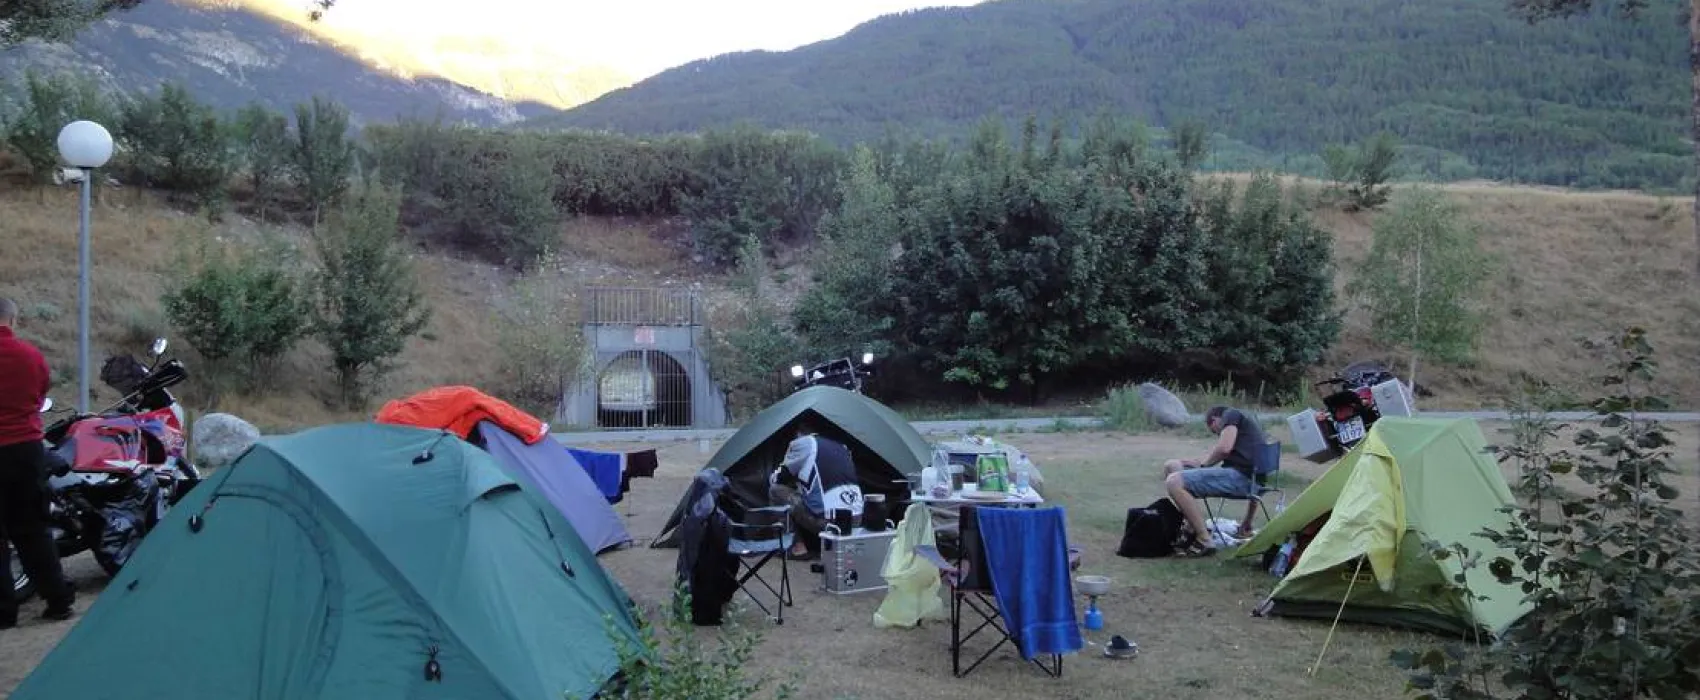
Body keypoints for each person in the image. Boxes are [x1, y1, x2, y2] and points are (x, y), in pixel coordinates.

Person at [0, 297, 76, 626]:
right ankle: (58, 600)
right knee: (33, 529)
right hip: (25, 451)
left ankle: (4, 612)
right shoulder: (31, 356)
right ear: (12, 320)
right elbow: (40, 394)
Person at [1161, 405, 1268, 557]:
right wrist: (1247, 523)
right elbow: (1256, 488)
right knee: (1172, 466)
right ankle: (1190, 527)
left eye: (1214, 431)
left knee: (1174, 482)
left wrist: (1204, 465)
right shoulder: (1249, 422)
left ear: (1214, 420)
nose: (1217, 434)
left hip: (1241, 479)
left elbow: (1224, 448)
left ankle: (1204, 539)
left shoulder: (1231, 414)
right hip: (1252, 481)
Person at [768, 418, 863, 559]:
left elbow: (778, 478)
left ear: (799, 434)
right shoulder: (841, 447)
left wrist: (793, 479)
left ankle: (795, 548)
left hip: (830, 523)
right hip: (856, 521)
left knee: (776, 491)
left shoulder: (804, 443)